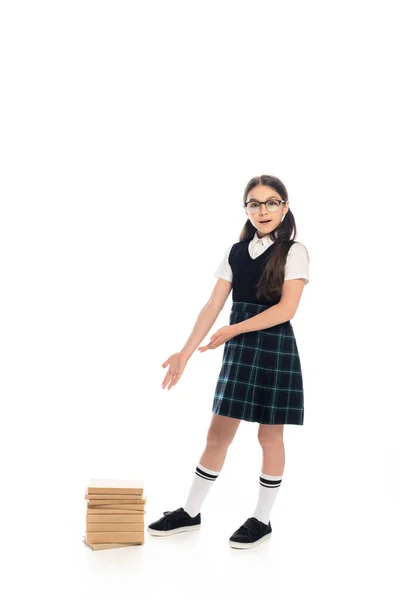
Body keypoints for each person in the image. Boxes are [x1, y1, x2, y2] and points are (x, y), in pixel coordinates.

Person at [147, 174, 310, 549]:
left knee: (269, 435)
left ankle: (261, 519)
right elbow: (212, 306)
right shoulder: (236, 251)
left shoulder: (294, 251)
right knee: (218, 433)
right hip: (239, 351)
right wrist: (184, 353)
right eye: (254, 203)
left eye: (271, 202)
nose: (263, 210)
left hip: (273, 347)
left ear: (284, 207)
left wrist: (233, 331)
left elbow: (286, 310)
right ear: (246, 209)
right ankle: (190, 512)